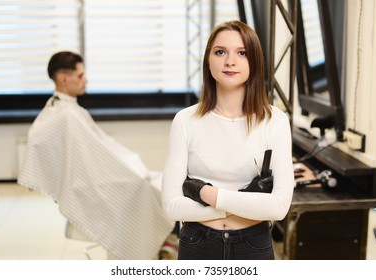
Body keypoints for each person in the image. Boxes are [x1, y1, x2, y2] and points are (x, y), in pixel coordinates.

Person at [17, 51, 175, 259]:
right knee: (145, 190)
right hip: (91, 184)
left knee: (153, 183)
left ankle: (159, 243)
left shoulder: (69, 108)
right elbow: (37, 137)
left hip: (99, 177)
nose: (86, 80)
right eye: (81, 76)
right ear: (64, 78)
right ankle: (152, 247)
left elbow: (101, 149)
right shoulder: (62, 114)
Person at [161, 21, 294, 260]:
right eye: (220, 52)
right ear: (208, 61)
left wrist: (206, 193)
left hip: (254, 244)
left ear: (254, 62)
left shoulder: (276, 121)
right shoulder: (185, 120)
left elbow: (279, 207)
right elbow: (171, 206)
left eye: (241, 53)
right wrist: (241, 207)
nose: (230, 61)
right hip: (197, 242)